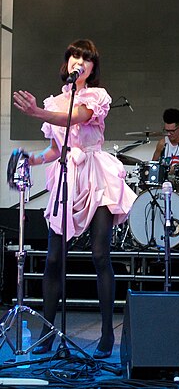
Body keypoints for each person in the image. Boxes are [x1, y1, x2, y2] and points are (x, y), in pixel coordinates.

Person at [13, 39, 137, 358]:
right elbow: (56, 149)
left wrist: (38, 112)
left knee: (99, 255)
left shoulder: (98, 96)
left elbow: (78, 118)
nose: (77, 61)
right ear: (67, 61)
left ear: (92, 68)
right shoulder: (55, 101)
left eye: (85, 58)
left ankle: (108, 333)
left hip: (97, 177)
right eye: (73, 55)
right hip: (67, 177)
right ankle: (47, 333)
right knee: (53, 259)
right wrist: (30, 158)